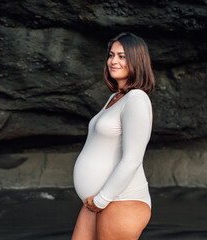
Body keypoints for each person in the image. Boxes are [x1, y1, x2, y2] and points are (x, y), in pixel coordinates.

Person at [72, 32, 155, 240]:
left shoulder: (136, 98)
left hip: (121, 199)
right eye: (111, 55)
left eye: (121, 56)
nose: (113, 61)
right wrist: (97, 200)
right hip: (98, 201)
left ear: (136, 60)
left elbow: (133, 159)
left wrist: (101, 200)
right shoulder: (115, 98)